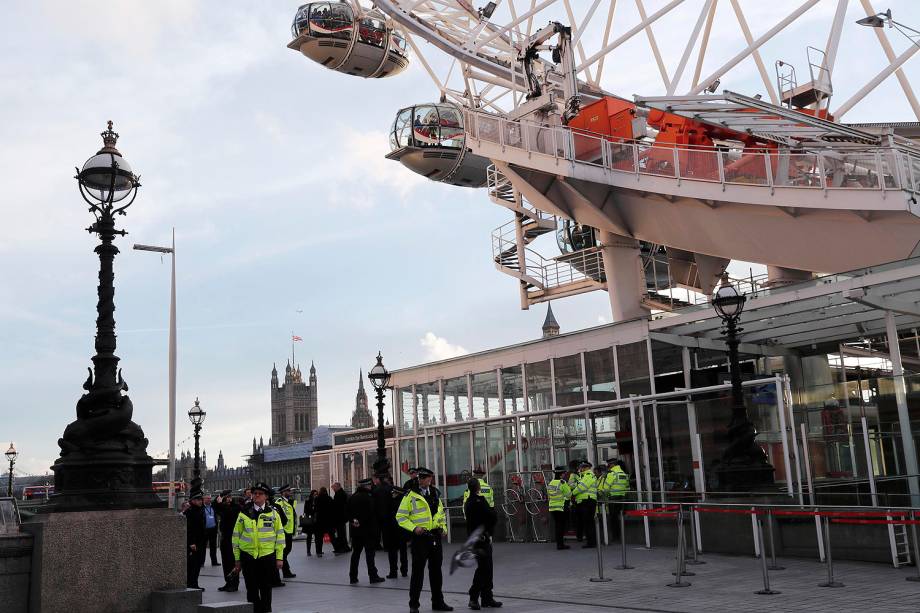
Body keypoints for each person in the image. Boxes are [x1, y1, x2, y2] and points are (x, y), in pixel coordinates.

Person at [396, 467, 453, 613]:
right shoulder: (410, 496)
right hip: (420, 538)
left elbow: (440, 515)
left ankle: (438, 602)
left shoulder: (435, 493)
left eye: (427, 478)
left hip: (435, 537)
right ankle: (414, 604)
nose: (425, 481)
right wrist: (414, 528)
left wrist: (443, 529)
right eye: (422, 478)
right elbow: (400, 517)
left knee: (436, 572)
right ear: (418, 479)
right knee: (417, 573)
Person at [232, 482, 285, 613]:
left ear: (266, 496)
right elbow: (235, 537)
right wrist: (237, 559)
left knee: (266, 588)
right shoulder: (243, 513)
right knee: (251, 589)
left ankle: (266, 610)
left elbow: (280, 537)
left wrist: (279, 558)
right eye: (254, 493)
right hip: (248, 556)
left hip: (267, 557)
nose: (256, 496)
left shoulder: (273, 514)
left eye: (260, 494)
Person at [463, 478, 502, 610]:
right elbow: (491, 516)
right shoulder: (479, 501)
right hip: (482, 538)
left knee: (487, 568)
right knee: (484, 569)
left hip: (476, 538)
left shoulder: (468, 502)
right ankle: (474, 597)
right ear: (478, 487)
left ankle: (487, 597)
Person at [347, 477, 386, 584]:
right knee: (370, 554)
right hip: (368, 530)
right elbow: (371, 513)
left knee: (356, 554)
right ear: (367, 486)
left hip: (356, 531)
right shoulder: (369, 497)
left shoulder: (353, 497)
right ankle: (373, 576)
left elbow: (348, 512)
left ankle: (353, 577)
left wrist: (354, 521)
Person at [373, 473, 407, 578]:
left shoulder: (377, 491)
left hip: (387, 524)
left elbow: (377, 509)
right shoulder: (397, 490)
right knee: (403, 547)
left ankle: (393, 572)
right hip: (401, 523)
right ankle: (404, 570)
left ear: (379, 479)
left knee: (392, 549)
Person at [598, 458, 629, 541]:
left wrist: (600, 494)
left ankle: (615, 537)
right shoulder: (623, 473)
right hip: (622, 498)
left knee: (613, 518)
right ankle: (620, 536)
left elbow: (605, 488)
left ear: (612, 464)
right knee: (619, 517)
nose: (608, 466)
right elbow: (627, 487)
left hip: (612, 498)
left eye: (608, 465)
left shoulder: (612, 473)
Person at [217, 490, 242, 592]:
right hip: (225, 539)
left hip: (234, 540)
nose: (228, 499)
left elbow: (228, 513)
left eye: (229, 497)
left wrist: (221, 504)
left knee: (233, 562)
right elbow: (216, 507)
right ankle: (228, 582)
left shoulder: (236, 507)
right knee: (225, 563)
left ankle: (234, 584)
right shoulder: (223, 507)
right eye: (225, 497)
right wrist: (219, 501)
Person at [183, 488, 207, 590]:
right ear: (192, 500)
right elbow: (189, 529)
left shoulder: (200, 510)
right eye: (198, 500)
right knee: (192, 565)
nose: (200, 501)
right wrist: (191, 542)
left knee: (197, 565)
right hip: (193, 543)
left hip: (200, 541)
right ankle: (190, 584)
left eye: (201, 500)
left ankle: (195, 583)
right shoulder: (189, 512)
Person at [572, 460, 598, 549]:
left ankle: (591, 542)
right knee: (588, 522)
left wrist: (572, 493)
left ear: (586, 467)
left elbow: (581, 487)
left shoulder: (588, 475)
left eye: (582, 467)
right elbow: (578, 485)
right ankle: (591, 541)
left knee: (588, 522)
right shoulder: (584, 476)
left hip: (587, 501)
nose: (580, 469)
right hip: (586, 501)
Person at [547, 466, 572, 550]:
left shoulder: (551, 483)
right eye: (564, 474)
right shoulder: (562, 483)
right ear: (561, 475)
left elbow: (549, 494)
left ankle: (559, 544)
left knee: (557, 526)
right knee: (561, 526)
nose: (564, 475)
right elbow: (569, 494)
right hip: (561, 507)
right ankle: (561, 545)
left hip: (552, 508)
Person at [276, 484, 297, 579]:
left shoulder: (291, 502)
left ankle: (286, 571)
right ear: (283, 492)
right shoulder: (279, 502)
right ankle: (286, 571)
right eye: (288, 491)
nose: (290, 492)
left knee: (287, 550)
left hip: (290, 530)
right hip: (283, 531)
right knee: (284, 552)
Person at [314, 486, 335, 557]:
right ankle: (336, 548)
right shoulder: (329, 499)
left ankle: (319, 552)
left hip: (319, 520)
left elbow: (315, 509)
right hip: (328, 520)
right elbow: (333, 509)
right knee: (332, 536)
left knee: (319, 538)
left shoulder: (317, 499)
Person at [331, 482, 351, 554]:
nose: (333, 489)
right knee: (341, 533)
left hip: (340, 517)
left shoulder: (340, 495)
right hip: (341, 517)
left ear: (337, 487)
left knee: (341, 533)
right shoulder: (341, 494)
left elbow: (338, 507)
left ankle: (343, 548)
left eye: (334, 488)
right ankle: (345, 547)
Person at [203, 494, 220, 567]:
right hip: (204, 530)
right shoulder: (201, 507)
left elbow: (217, 500)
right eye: (207, 498)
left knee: (213, 547)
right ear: (204, 499)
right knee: (203, 547)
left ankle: (214, 561)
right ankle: (201, 562)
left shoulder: (213, 507)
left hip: (213, 529)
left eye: (210, 498)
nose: (209, 500)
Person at [301, 490, 318, 556]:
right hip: (310, 521)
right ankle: (308, 551)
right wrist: (312, 509)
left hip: (316, 521)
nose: (315, 496)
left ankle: (318, 550)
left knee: (317, 536)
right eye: (314, 494)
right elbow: (305, 510)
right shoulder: (308, 501)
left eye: (316, 494)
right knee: (309, 536)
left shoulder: (318, 501)